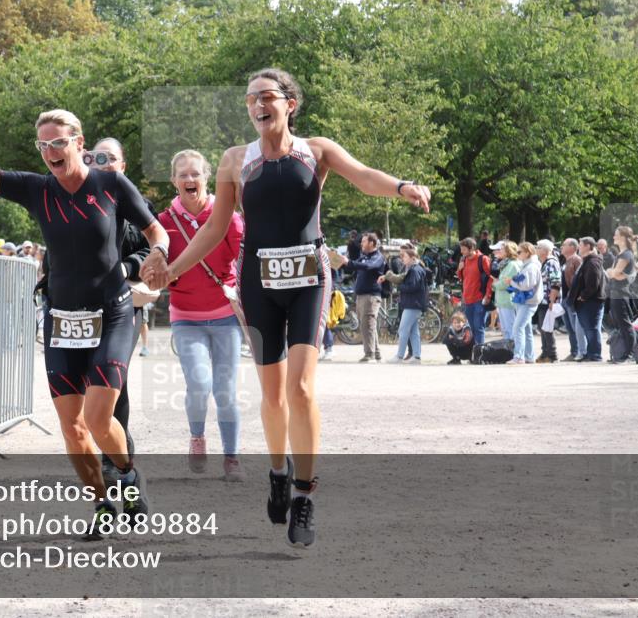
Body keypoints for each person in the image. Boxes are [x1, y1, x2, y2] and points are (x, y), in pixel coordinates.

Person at [143, 67, 431, 547]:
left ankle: (304, 493)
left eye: (267, 96)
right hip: (259, 282)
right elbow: (214, 228)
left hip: (308, 280)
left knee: (299, 389)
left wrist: (402, 186)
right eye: (250, 98)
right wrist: (173, 270)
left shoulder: (316, 150)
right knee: (273, 395)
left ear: (289, 103)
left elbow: (363, 176)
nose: (258, 105)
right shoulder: (236, 160)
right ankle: (278, 469)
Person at [0, 78, 170, 532]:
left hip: (112, 313)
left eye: (58, 143)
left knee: (100, 419)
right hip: (62, 319)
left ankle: (127, 475)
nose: (50, 152)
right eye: (43, 146)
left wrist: (158, 253)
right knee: (73, 427)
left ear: (79, 144)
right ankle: (102, 506)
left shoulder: (110, 183)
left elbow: (154, 230)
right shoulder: (37, 189)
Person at [157, 149, 245, 480]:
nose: (190, 179)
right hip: (186, 317)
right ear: (174, 181)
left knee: (225, 389)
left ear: (207, 178)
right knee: (199, 382)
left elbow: (245, 259)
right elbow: (155, 261)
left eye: (195, 173)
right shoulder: (164, 223)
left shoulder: (228, 218)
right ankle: (197, 437)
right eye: (183, 174)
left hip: (225, 316)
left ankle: (232, 457)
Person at [88, 135, 152, 484]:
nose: (103, 163)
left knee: (114, 378)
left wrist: (127, 267)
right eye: (96, 157)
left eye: (110, 158)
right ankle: (113, 447)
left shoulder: (136, 202)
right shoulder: (74, 198)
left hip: (124, 304)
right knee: (90, 381)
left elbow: (151, 248)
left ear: (122, 165)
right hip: (82, 307)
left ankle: (115, 458)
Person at [340, 232, 386, 362]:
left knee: (368, 325)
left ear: (372, 243)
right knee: (367, 325)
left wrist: (350, 262)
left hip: (371, 296)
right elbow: (353, 265)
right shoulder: (364, 256)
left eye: (364, 241)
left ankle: (369, 354)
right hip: (361, 296)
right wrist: (342, 261)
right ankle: (376, 354)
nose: (361, 243)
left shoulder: (378, 257)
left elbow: (368, 266)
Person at [378, 246, 427, 364]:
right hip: (414, 304)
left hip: (413, 304)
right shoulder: (414, 269)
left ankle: (399, 356)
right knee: (413, 332)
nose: (402, 259)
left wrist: (400, 287)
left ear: (412, 258)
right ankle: (416, 357)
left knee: (403, 330)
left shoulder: (414, 270)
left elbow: (413, 287)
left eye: (404, 256)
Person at [566, 237, 607, 362]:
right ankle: (590, 354)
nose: (578, 247)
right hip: (587, 302)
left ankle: (595, 355)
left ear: (588, 246)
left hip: (591, 302)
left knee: (592, 329)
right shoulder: (587, 261)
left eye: (581, 244)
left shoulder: (592, 262)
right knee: (588, 329)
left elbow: (593, 284)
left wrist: (583, 296)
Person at [502, 242, 543, 364]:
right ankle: (529, 356)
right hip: (525, 301)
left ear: (527, 253)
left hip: (528, 301)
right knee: (526, 329)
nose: (517, 253)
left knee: (518, 327)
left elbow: (526, 286)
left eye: (519, 252)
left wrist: (511, 282)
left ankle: (519, 356)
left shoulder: (531, 267)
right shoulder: (528, 265)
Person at [605, 227, 638, 364]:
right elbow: (615, 274)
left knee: (625, 325)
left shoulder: (626, 255)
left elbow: (614, 273)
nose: (614, 237)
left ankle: (630, 355)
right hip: (616, 293)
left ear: (623, 237)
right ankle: (624, 354)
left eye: (616, 235)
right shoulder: (622, 254)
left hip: (621, 294)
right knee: (621, 325)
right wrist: (614, 273)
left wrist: (613, 272)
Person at [456, 237, 494, 346]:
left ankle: (479, 351)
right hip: (468, 299)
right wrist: (459, 269)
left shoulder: (483, 259)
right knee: (471, 328)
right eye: (461, 249)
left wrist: (488, 295)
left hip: (479, 299)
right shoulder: (464, 260)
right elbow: (462, 277)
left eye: (464, 249)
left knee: (478, 327)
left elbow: (490, 278)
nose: (462, 252)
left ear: (472, 248)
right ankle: (474, 350)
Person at [534, 239, 562, 363]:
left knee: (547, 328)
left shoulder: (551, 262)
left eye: (538, 247)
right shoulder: (544, 263)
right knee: (543, 328)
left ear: (545, 250)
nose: (536, 249)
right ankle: (545, 353)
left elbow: (556, 282)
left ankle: (552, 355)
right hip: (543, 301)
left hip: (548, 301)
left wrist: (552, 300)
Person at [559, 238, 585, 360]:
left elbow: (580, 279)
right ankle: (574, 351)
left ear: (572, 247)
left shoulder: (576, 260)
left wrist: (575, 296)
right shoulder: (565, 261)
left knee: (576, 327)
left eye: (564, 245)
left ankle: (582, 351)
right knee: (569, 328)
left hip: (572, 298)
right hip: (565, 298)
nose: (561, 247)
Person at [490, 241, 519, 340]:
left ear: (508, 251)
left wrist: (494, 284)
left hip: (508, 300)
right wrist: (498, 283)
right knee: (505, 329)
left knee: (510, 329)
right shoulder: (506, 264)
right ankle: (508, 348)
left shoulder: (512, 264)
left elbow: (504, 283)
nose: (499, 251)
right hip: (503, 300)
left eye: (502, 249)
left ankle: (513, 348)